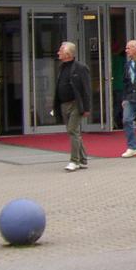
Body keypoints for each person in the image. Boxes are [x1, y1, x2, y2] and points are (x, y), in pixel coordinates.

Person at [54, 41, 91, 172]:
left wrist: (87, 108)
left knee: (72, 130)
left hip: (76, 103)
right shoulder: (61, 67)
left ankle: (74, 161)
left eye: (60, 50)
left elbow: (86, 88)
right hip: (64, 104)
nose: (58, 53)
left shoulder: (80, 67)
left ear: (68, 53)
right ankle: (83, 159)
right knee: (74, 132)